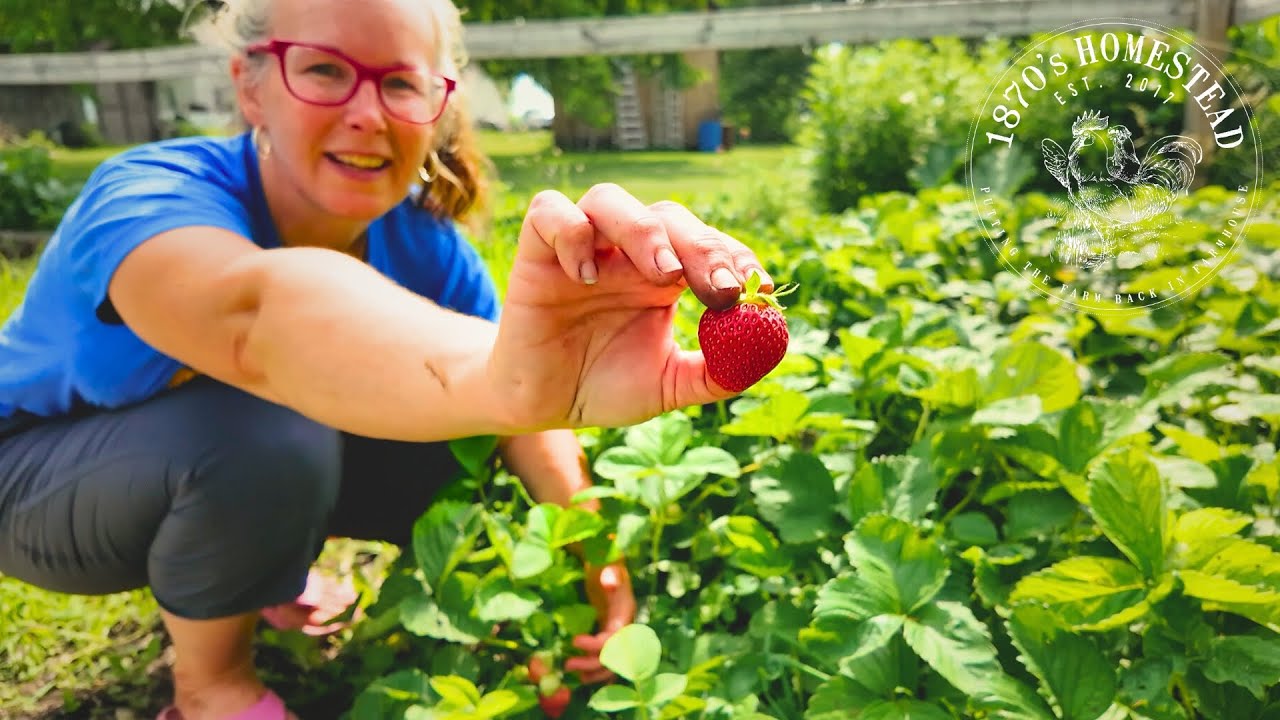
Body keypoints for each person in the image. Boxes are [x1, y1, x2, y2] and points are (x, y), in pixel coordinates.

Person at [0, 0, 773, 718]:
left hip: (210, 464)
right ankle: (211, 688)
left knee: (457, 442)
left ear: (435, 108)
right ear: (252, 85)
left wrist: (596, 573)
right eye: (326, 70)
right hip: (37, 479)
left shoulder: (428, 246)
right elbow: (260, 322)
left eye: (401, 84)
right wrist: (500, 377)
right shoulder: (146, 194)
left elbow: (522, 421)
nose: (367, 114)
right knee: (261, 430)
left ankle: (266, 570)